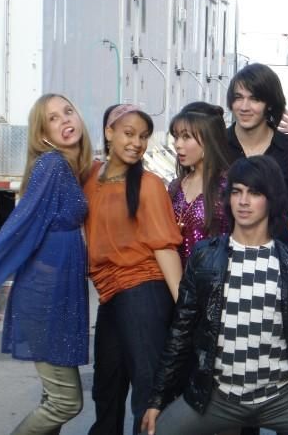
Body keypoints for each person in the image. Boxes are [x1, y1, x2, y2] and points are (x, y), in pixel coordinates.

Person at [140, 156, 288, 435]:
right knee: (155, 430)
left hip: (282, 397)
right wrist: (157, 399)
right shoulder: (205, 257)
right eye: (237, 191)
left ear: (272, 199)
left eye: (254, 193)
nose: (243, 201)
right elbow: (180, 333)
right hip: (217, 397)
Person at [0, 93, 92, 433]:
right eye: (52, 118)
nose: (64, 120)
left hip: (58, 297)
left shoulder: (70, 168)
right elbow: (19, 227)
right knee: (66, 402)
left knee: (53, 398)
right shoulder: (52, 165)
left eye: (68, 110)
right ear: (42, 132)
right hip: (44, 300)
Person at [84, 104, 183, 435]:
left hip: (144, 290)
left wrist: (184, 306)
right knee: (106, 384)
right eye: (128, 134)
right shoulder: (91, 178)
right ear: (109, 133)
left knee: (147, 387)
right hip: (110, 293)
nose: (137, 143)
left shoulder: (149, 185)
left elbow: (165, 248)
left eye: (143, 137)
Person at [226, 63, 288, 243]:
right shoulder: (215, 145)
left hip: (277, 257)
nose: (244, 107)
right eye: (238, 97)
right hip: (222, 256)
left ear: (270, 104)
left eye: (254, 99)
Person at [168, 102, 233, 266]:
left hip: (214, 283)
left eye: (186, 137)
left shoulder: (229, 187)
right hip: (174, 283)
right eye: (176, 137)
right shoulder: (175, 186)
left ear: (209, 140)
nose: (177, 145)